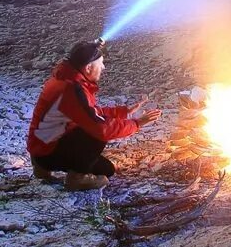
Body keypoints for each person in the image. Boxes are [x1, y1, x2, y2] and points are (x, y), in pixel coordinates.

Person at [26, 39, 161, 190]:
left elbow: (87, 112)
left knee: (106, 168)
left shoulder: (65, 78)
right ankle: (77, 179)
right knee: (97, 133)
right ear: (89, 67)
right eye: (101, 63)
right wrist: (136, 124)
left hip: (40, 149)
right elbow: (102, 128)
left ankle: (41, 168)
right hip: (48, 152)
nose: (103, 67)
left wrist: (123, 112)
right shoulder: (73, 89)